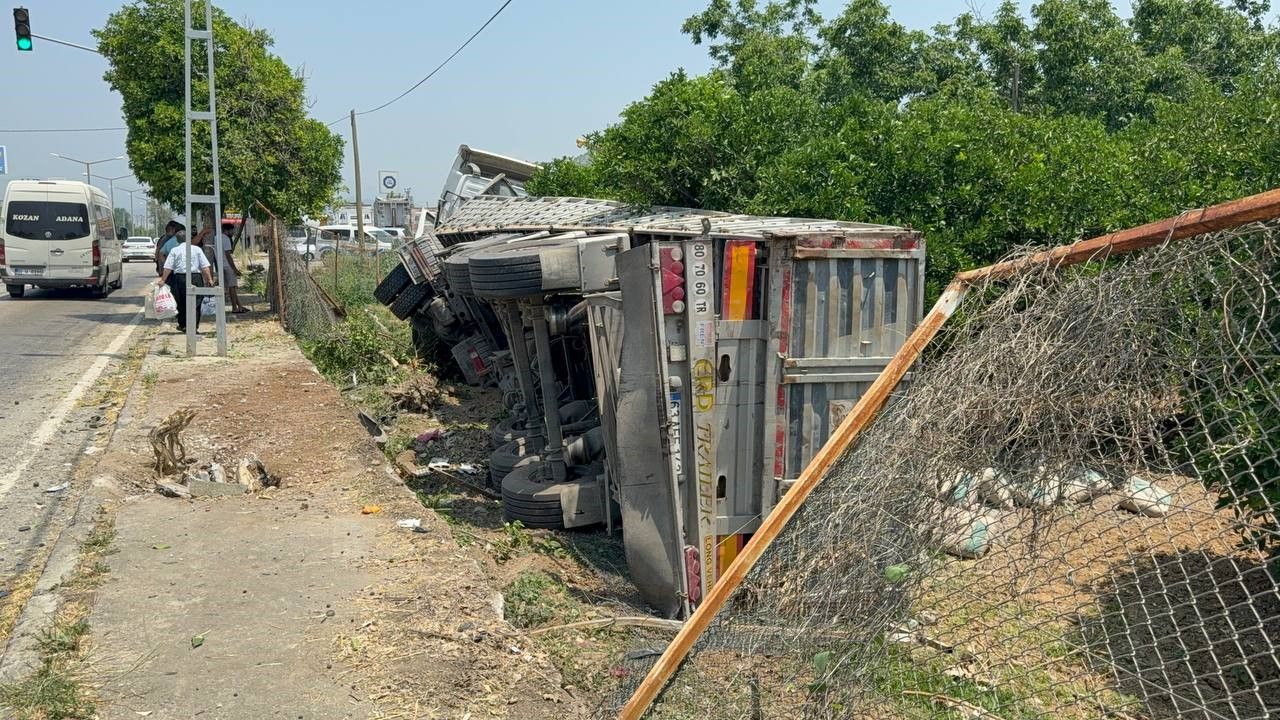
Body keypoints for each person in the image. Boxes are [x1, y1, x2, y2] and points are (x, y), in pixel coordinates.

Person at [159, 229, 215, 333]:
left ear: (177, 240)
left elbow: (168, 267)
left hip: (180, 278)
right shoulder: (197, 249)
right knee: (196, 302)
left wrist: (163, 280)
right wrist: (210, 280)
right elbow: (205, 266)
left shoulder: (174, 250)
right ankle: (194, 327)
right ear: (189, 238)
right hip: (196, 277)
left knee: (180, 301)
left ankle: (183, 325)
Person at [217, 223, 249, 313]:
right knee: (232, 287)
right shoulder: (226, 239)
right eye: (232, 230)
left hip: (221, 265)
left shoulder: (216, 237)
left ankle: (240, 306)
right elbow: (228, 255)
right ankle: (235, 308)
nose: (233, 232)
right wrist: (234, 269)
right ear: (227, 230)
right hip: (228, 266)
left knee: (232, 287)